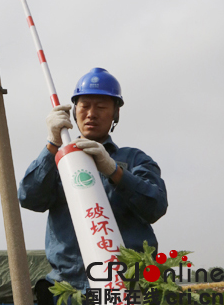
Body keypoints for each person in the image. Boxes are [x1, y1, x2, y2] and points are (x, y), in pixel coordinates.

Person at [18, 68, 168, 303]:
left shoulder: (134, 160)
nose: (91, 114)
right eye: (84, 105)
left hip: (126, 287)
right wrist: (52, 145)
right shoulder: (57, 162)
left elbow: (156, 206)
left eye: (101, 107)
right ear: (73, 111)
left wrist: (113, 171)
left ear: (114, 114)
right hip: (68, 289)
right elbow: (29, 198)